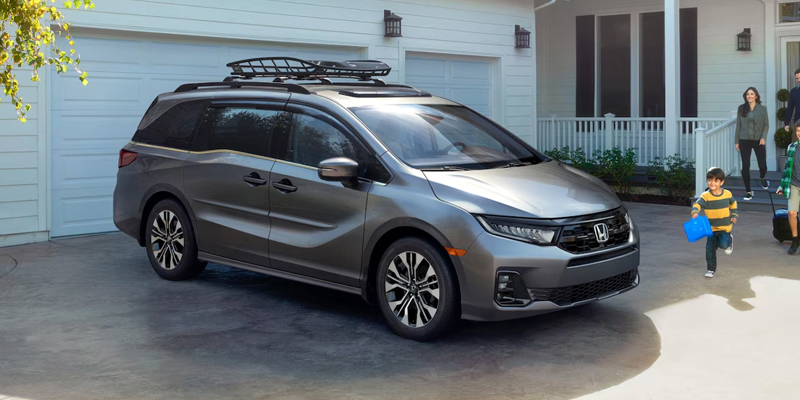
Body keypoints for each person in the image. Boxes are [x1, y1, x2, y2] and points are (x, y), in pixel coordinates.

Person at [692, 167, 738, 278]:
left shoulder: (727, 194)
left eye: (716, 180)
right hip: (711, 229)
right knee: (709, 250)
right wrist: (695, 212)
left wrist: (734, 215)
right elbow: (697, 204)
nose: (712, 183)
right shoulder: (705, 196)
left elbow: (733, 204)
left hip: (724, 227)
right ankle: (711, 269)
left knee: (723, 244)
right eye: (710, 180)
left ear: (721, 182)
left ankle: (729, 241)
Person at [735, 87, 769, 201]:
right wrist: (736, 141)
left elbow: (766, 125)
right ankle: (748, 191)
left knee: (762, 164)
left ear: (756, 96)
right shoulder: (741, 108)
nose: (749, 96)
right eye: (747, 94)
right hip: (744, 140)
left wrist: (763, 137)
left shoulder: (762, 109)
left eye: (751, 94)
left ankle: (762, 177)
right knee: (745, 166)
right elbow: (738, 125)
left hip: (759, 140)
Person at [776, 123, 800, 254]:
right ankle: (795, 240)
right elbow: (787, 169)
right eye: (798, 131)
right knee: (791, 213)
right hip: (794, 185)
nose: (799, 133)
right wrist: (782, 186)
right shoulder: (792, 147)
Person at [783, 68, 800, 135]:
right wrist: (787, 123)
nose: (799, 80)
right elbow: (790, 108)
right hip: (798, 121)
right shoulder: (794, 91)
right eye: (797, 78)